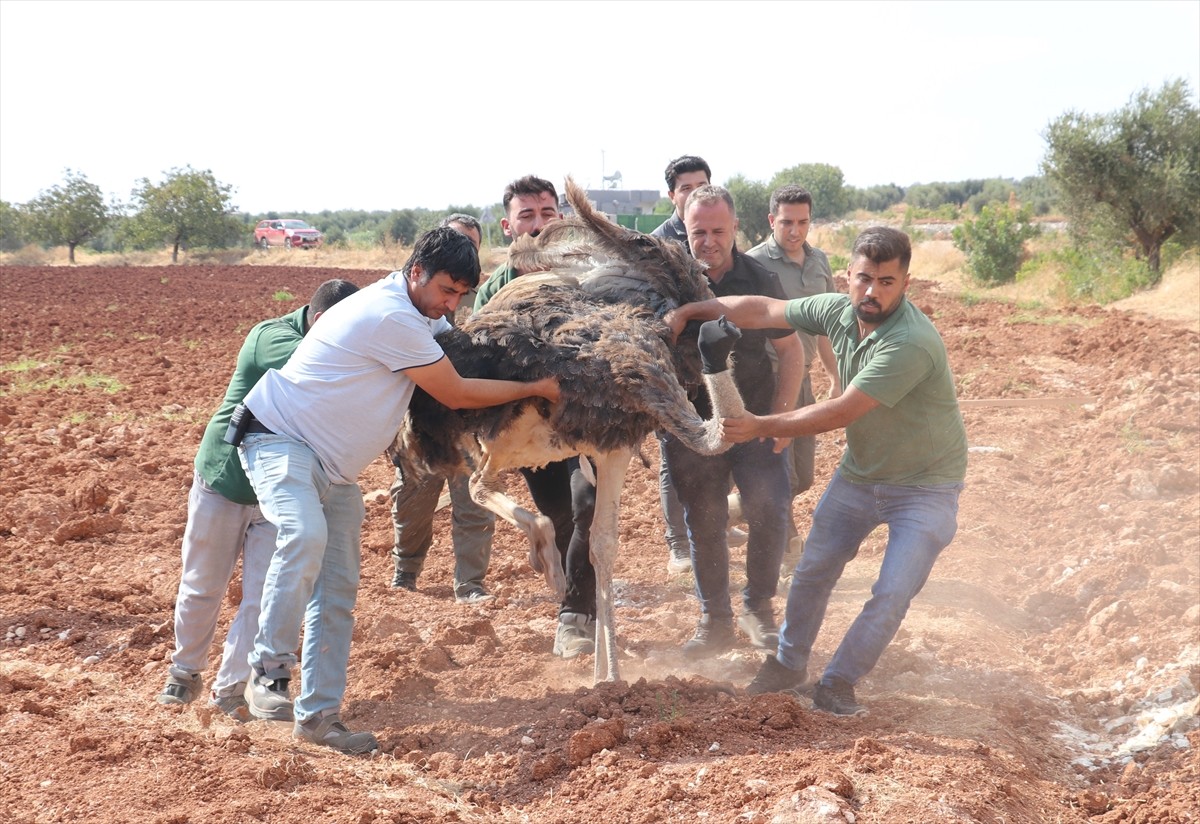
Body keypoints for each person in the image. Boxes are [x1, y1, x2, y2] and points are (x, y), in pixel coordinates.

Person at [238, 227, 559, 754]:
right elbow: (455, 391)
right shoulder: (391, 315)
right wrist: (536, 387)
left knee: (337, 593)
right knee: (302, 535)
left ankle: (318, 718)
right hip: (282, 441)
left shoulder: (413, 313)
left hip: (335, 469)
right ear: (415, 273)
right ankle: (269, 673)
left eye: (461, 296)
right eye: (446, 291)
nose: (450, 305)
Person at [665, 226, 967, 716]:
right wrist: (691, 312)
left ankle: (840, 682)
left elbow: (842, 411)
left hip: (927, 488)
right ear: (848, 276)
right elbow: (761, 309)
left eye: (887, 282)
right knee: (811, 572)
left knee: (892, 591)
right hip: (862, 474)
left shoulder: (909, 342)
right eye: (864, 279)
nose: (872, 292)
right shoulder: (835, 310)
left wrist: (760, 424)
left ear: (906, 284)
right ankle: (787, 664)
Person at [155, 279, 360, 717]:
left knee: (262, 598)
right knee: (202, 586)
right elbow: (327, 371)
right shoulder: (272, 338)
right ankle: (184, 671)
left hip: (279, 492)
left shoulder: (330, 344)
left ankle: (229, 693)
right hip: (225, 482)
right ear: (321, 322)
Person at [664, 184, 804, 658]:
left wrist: (781, 419)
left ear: (735, 228)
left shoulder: (760, 277)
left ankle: (759, 610)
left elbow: (790, 350)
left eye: (717, 230)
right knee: (703, 519)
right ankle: (715, 622)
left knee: (769, 508)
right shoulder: (666, 285)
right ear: (684, 228)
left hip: (755, 417)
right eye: (697, 231)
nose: (708, 241)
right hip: (692, 425)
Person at [474, 175, 597, 660]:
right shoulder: (493, 296)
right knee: (561, 513)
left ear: (561, 220)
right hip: (526, 430)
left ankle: (575, 615)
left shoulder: (588, 281)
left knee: (587, 501)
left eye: (548, 214)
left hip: (589, 419)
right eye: (528, 216)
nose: (539, 224)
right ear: (509, 227)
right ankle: (579, 601)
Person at [389, 214, 498, 605]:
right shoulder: (409, 300)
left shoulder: (483, 297)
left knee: (473, 499)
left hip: (469, 417)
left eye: (471, 245)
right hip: (418, 417)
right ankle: (406, 570)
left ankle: (470, 584)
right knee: (413, 496)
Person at [745, 185, 841, 577]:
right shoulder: (753, 264)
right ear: (772, 221)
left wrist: (835, 375)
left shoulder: (819, 263)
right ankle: (787, 549)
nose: (795, 231)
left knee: (803, 475)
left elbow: (825, 327)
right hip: (767, 380)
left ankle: (740, 509)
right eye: (787, 222)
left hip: (804, 381)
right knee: (778, 471)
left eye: (802, 222)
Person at [650, 155, 712, 574]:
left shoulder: (714, 230)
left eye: (701, 184)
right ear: (672, 195)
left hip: (715, 365)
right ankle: (679, 546)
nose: (694, 193)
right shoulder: (655, 246)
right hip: (672, 368)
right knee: (676, 455)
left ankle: (711, 524)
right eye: (686, 187)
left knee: (718, 447)